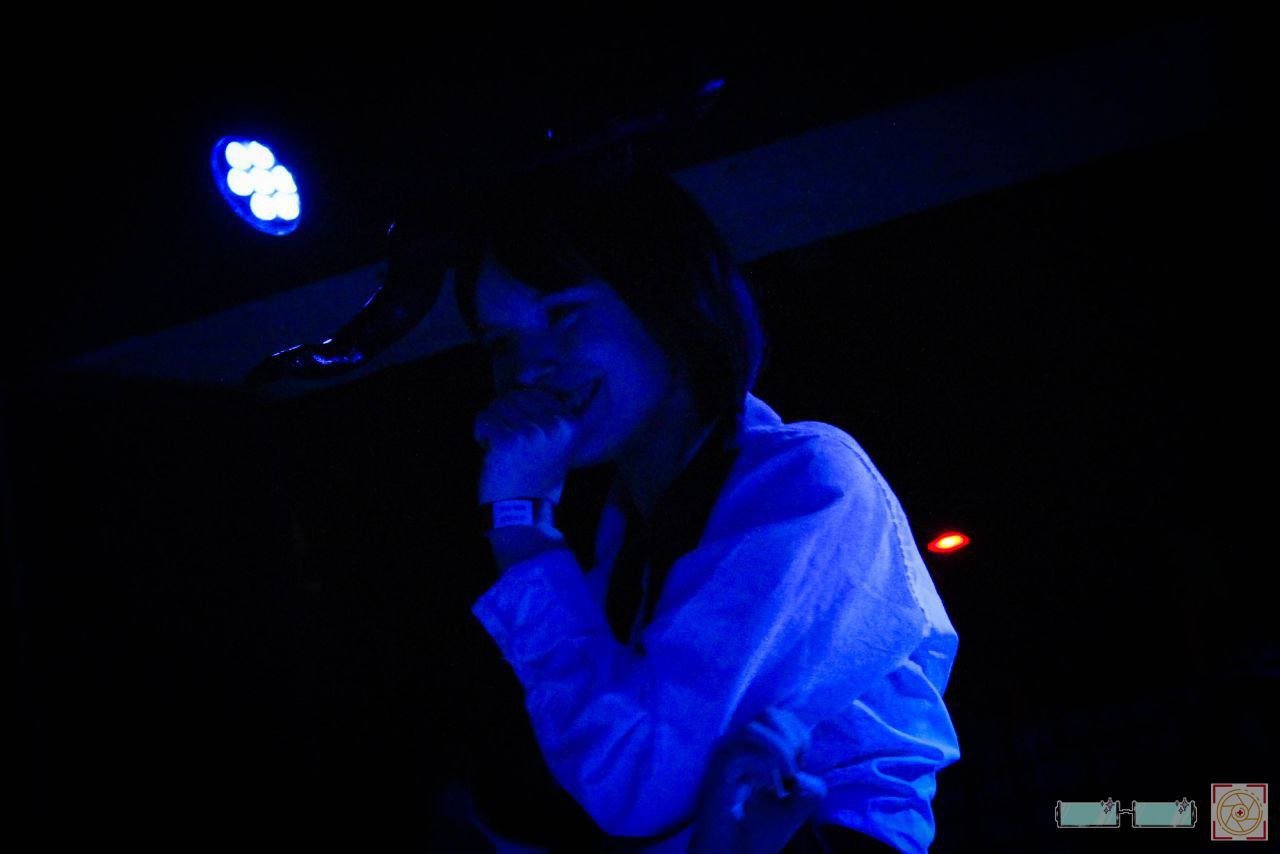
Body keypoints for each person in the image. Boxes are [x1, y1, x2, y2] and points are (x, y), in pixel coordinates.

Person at [453, 163, 960, 853]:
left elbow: (642, 786)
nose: (528, 368)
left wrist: (519, 524)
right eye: (501, 343)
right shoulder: (626, 536)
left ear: (667, 298)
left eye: (562, 313)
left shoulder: (807, 480)